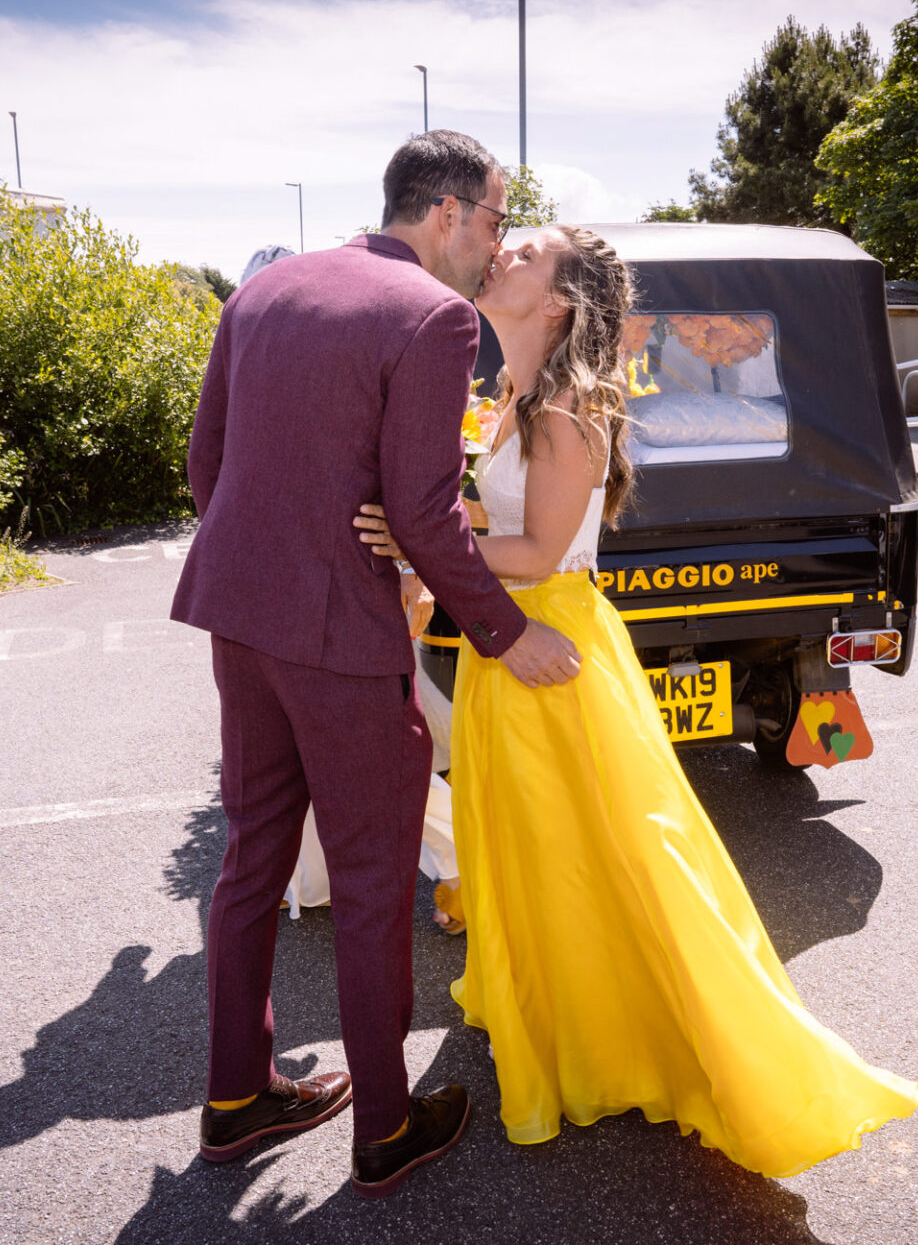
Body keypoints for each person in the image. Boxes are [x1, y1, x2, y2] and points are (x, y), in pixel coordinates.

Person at [356, 225, 918, 1178]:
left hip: (549, 640)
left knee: (603, 848)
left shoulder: (568, 405)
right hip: (509, 637)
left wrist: (416, 543)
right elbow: (503, 531)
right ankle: (569, 1010)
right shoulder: (516, 395)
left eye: (526, 254)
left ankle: (653, 1037)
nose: (502, 254)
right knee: (541, 844)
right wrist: (437, 536)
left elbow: (538, 551)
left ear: (559, 301)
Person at [169, 130, 583, 1200]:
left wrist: (268, 563)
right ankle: (387, 1126)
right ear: (447, 213)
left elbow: (206, 465)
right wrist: (509, 633)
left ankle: (234, 1095)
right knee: (368, 884)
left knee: (251, 859)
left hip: (238, 621)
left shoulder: (263, 291)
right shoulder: (433, 316)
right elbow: (423, 515)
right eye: (494, 219)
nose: (493, 242)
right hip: (342, 642)